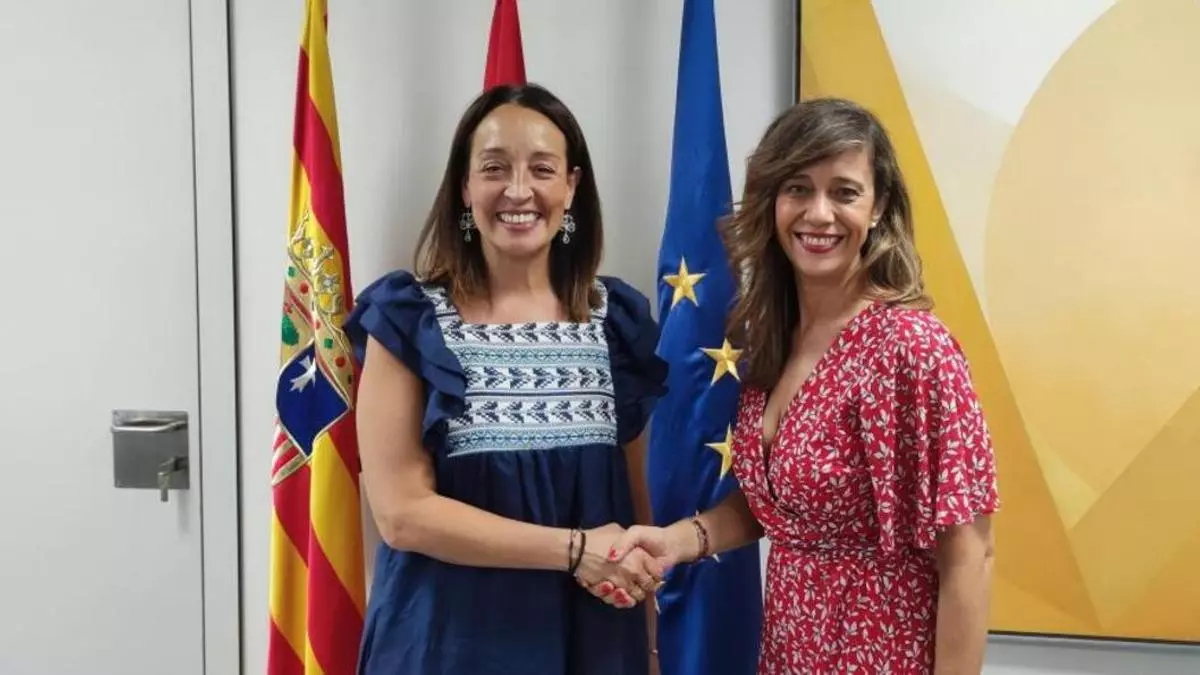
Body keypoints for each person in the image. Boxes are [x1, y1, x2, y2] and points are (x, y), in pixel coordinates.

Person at [608, 98, 1000, 674]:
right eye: (798, 188)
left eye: (844, 192)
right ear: (773, 201)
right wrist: (682, 540)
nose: (819, 213)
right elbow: (791, 510)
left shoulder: (911, 348)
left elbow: (970, 554)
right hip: (790, 654)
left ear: (877, 207)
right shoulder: (774, 338)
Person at [345, 83, 668, 675]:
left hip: (593, 644)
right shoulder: (410, 321)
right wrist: (575, 551)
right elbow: (401, 515)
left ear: (571, 186)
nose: (518, 190)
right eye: (494, 168)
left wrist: (649, 647)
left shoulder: (616, 323)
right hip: (446, 649)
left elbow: (634, 513)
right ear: (465, 188)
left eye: (542, 169)